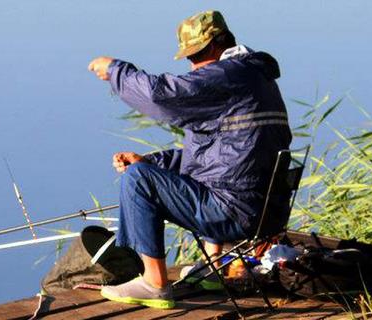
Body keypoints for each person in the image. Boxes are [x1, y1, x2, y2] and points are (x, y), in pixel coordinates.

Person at [87, 10, 292, 309]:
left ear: (216, 45)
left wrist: (117, 71)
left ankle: (154, 283)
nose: (193, 66)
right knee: (147, 171)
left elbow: (162, 96)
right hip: (265, 212)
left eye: (196, 55)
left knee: (137, 180)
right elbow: (219, 156)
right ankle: (215, 267)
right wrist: (151, 161)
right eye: (189, 58)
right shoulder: (256, 78)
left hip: (234, 212)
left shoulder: (228, 75)